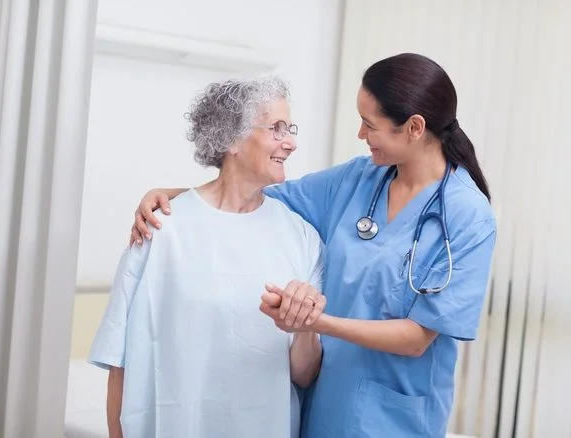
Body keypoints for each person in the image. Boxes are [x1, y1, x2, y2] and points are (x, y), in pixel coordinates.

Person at [130, 53, 497, 437]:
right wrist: (175, 195)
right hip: (322, 407)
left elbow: (418, 338)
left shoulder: (468, 216)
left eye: (369, 124)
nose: (360, 135)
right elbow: (260, 193)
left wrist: (314, 323)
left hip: (396, 418)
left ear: (414, 127)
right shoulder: (360, 179)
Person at [88, 77, 326, 438]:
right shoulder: (160, 228)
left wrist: (306, 325)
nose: (291, 142)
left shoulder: (302, 238)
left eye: (290, 129)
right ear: (230, 137)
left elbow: (304, 374)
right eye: (277, 128)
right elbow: (118, 362)